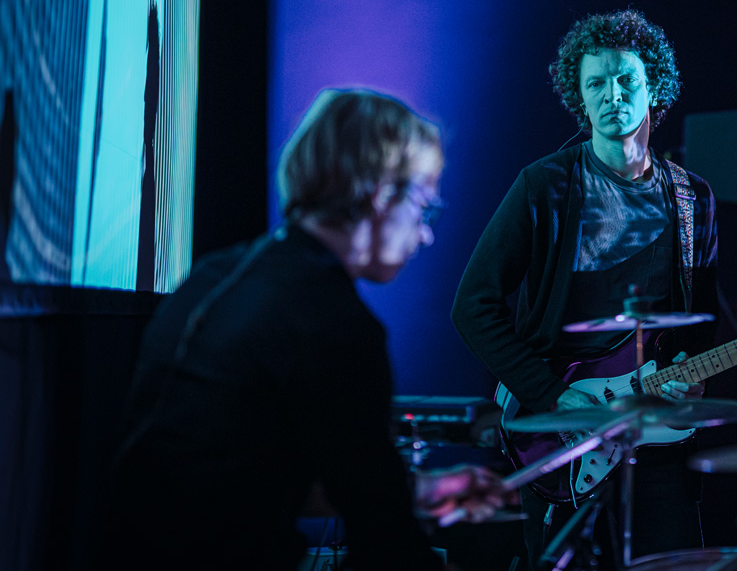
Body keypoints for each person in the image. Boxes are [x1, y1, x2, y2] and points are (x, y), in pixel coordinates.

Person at [103, 88, 508, 571]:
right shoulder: (335, 323)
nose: (426, 233)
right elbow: (385, 540)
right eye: (425, 206)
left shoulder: (213, 277)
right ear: (382, 194)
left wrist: (418, 491)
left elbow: (246, 475)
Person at [451, 9, 719, 569]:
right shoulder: (544, 186)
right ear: (580, 96)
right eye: (596, 83)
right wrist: (551, 395)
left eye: (626, 80)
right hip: (565, 434)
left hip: (657, 435)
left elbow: (701, 320)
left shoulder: (693, 198)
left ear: (654, 87)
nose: (612, 95)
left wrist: (692, 375)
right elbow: (472, 306)